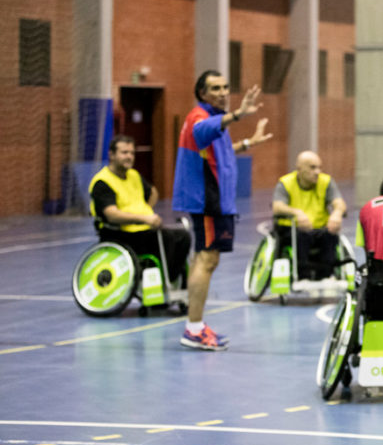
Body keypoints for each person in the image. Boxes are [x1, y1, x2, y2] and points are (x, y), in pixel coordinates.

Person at [173, 70, 273, 350]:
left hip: (216, 201)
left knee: (205, 260)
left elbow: (221, 152)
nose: (222, 92)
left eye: (226, 87)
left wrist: (249, 143)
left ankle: (196, 325)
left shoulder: (214, 122)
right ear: (202, 94)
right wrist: (239, 114)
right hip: (208, 201)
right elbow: (201, 132)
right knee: (206, 260)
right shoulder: (200, 119)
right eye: (215, 88)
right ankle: (193, 329)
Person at [89, 134, 190, 283]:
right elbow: (111, 215)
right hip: (119, 233)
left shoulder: (133, 175)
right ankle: (163, 281)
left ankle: (170, 278)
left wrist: (145, 209)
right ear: (111, 155)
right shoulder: (102, 182)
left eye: (132, 153)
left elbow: (153, 192)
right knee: (166, 238)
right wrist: (144, 218)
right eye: (124, 153)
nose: (129, 157)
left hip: (141, 230)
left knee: (183, 236)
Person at [272, 150, 347, 277]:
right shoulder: (286, 183)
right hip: (293, 229)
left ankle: (325, 275)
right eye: (312, 168)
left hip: (319, 229)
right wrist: (296, 213)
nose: (317, 171)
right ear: (299, 169)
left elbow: (339, 203)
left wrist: (337, 213)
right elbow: (277, 207)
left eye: (319, 167)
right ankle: (303, 275)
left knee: (331, 234)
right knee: (301, 236)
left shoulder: (326, 182)